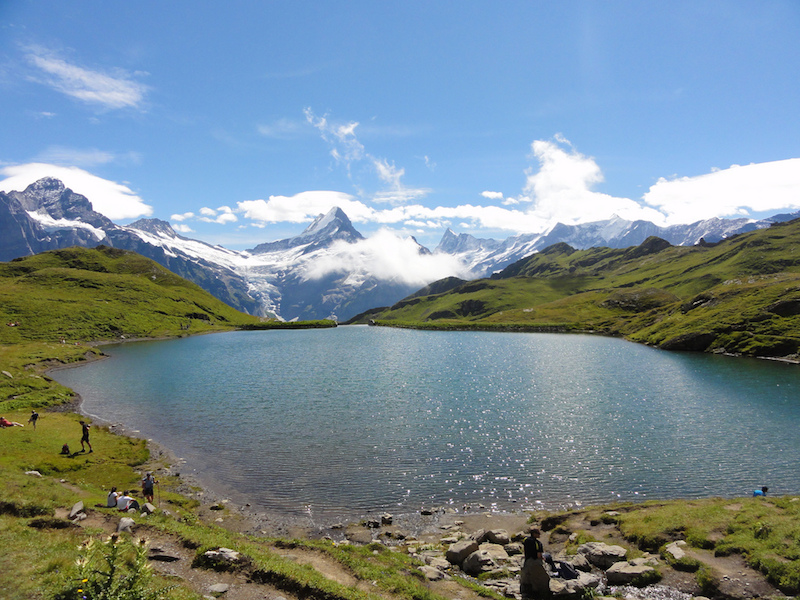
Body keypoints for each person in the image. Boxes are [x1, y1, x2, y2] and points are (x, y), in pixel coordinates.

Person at [520, 526, 551, 598]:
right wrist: (542, 559)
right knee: (548, 557)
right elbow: (539, 555)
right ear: (534, 534)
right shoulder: (538, 543)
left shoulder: (526, 540)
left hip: (527, 561)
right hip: (535, 562)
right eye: (538, 533)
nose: (539, 535)